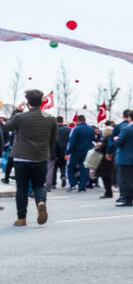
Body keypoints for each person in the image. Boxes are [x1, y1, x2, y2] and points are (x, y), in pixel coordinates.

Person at [1, 88, 57, 226]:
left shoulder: (21, 117)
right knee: (39, 185)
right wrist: (46, 152)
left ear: (28, 102)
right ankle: (41, 202)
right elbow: (53, 140)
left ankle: (21, 218)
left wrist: (16, 111)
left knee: (22, 188)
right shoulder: (50, 119)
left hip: (21, 157)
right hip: (41, 157)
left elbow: (7, 127)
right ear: (42, 101)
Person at [67, 114, 94, 192]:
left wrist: (68, 152)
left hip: (76, 151)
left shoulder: (76, 129)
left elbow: (72, 141)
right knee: (84, 169)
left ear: (78, 121)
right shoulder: (91, 129)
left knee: (70, 168)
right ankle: (82, 187)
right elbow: (92, 140)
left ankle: (73, 184)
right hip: (87, 151)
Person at [46, 116, 69, 189]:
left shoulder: (52, 130)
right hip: (64, 151)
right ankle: (63, 176)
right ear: (62, 121)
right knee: (63, 165)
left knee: (53, 167)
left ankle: (53, 183)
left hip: (54, 151)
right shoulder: (68, 130)